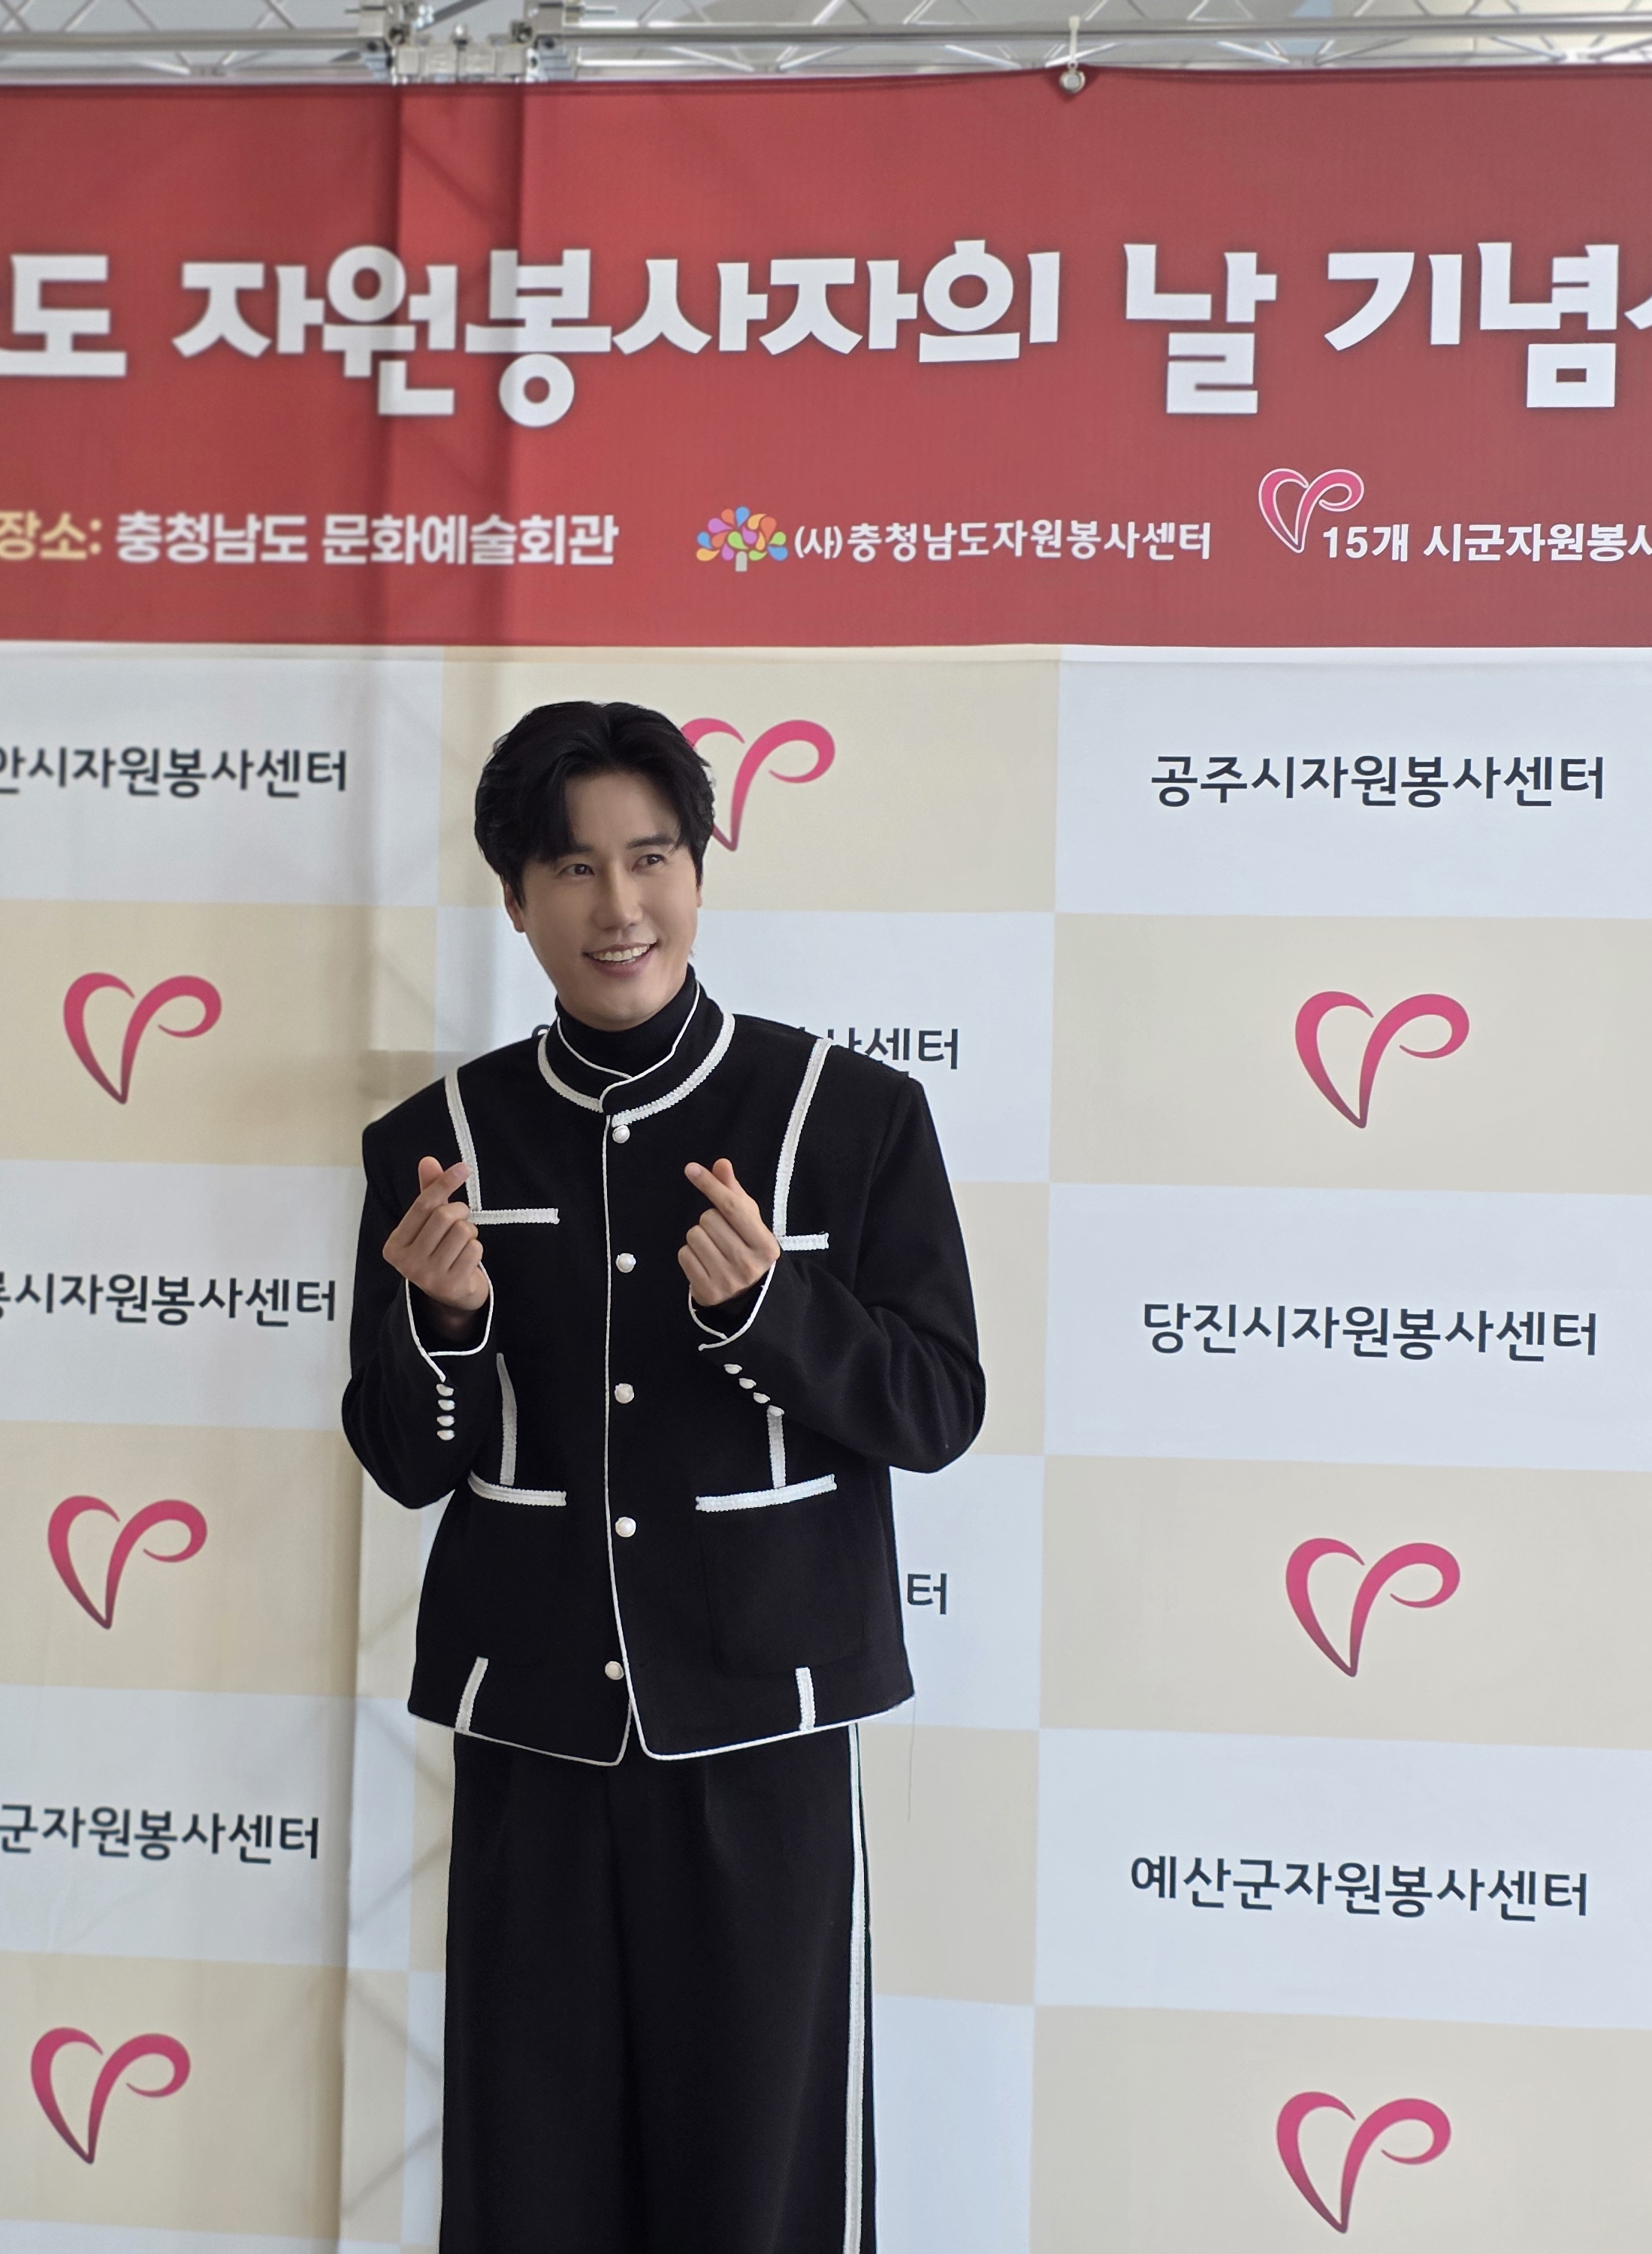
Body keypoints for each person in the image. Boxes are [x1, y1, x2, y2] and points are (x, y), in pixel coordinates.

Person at [340, 699, 987, 2254]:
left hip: (764, 1728)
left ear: (699, 869)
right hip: (534, 1734)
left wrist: (772, 1311)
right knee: (531, 2180)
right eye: (571, 868)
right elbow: (405, 1461)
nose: (617, 906)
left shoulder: (853, 1119)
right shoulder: (436, 1144)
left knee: (759, 2184)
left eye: (650, 859)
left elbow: (936, 1406)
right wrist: (444, 1328)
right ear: (514, 899)